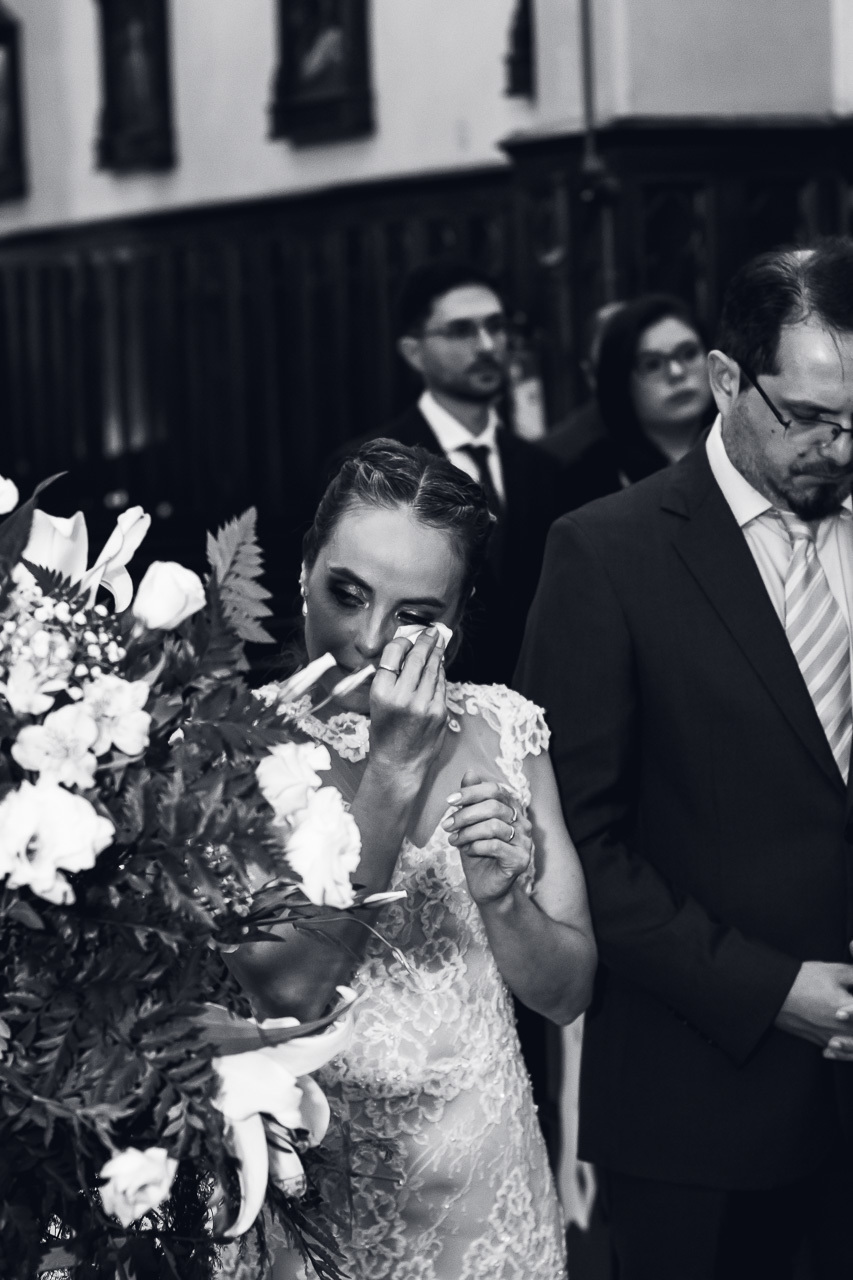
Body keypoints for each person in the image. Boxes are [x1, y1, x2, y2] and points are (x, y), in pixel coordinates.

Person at [515, 238, 853, 1280]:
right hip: (700, 1109)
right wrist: (770, 989)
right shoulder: (605, 553)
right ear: (724, 380)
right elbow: (575, 844)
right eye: (809, 417)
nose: (838, 449)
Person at [234, 440, 596, 1280]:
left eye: (414, 616)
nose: (369, 639)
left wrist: (504, 903)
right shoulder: (230, 749)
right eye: (347, 593)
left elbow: (566, 993)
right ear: (303, 571)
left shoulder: (506, 730)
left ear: (456, 622)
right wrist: (394, 771)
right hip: (313, 1195)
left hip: (484, 1190)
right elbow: (287, 995)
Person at [327, 259, 571, 687]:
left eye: (496, 327)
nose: (487, 345)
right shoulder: (368, 467)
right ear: (413, 351)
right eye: (461, 331)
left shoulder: (546, 469)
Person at [554, 294, 714, 498]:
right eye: (652, 364)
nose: (677, 372)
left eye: (689, 353)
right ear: (620, 381)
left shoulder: (743, 445)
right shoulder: (586, 480)